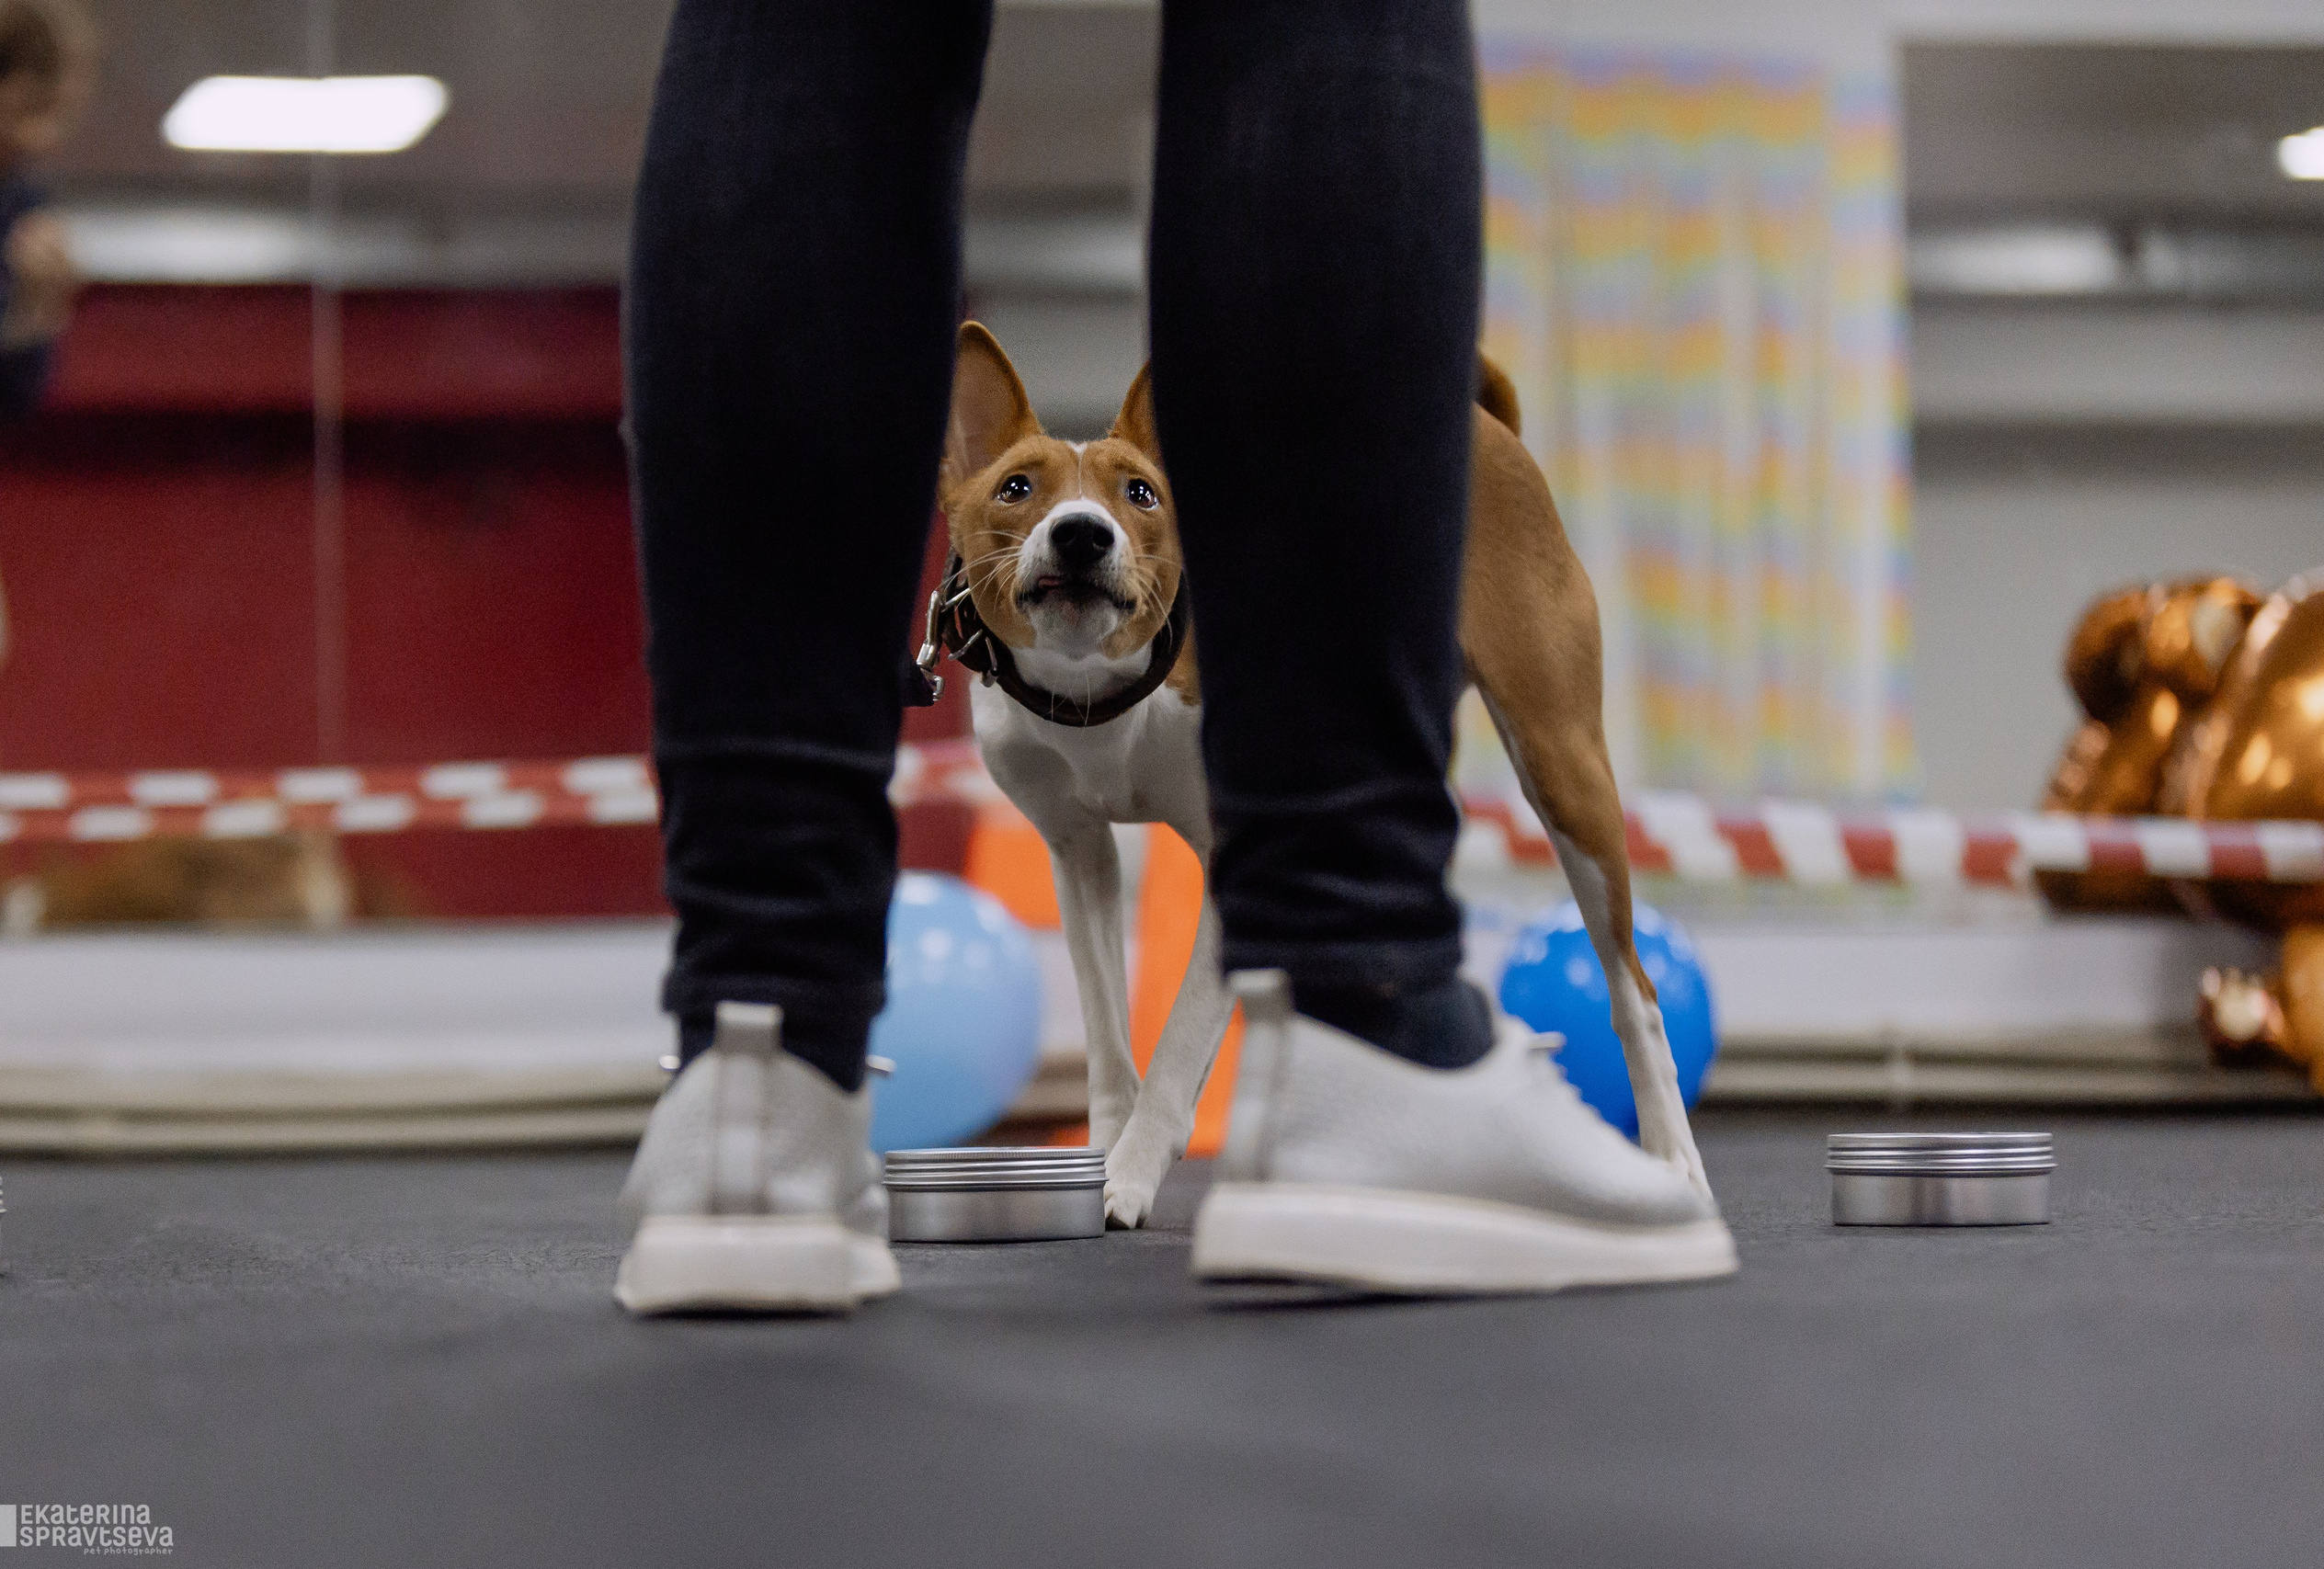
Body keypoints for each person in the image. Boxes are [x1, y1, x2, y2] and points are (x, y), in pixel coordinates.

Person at [615, 0, 1728, 1314]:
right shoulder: (1008, 698)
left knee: (803, 32)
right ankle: (1364, 1017)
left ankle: (760, 1065)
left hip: (1280, 636)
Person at [0, 0, 89, 773]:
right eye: (31, 104)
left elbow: (13, 400)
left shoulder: (21, 210)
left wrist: (38, 314)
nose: (44, 133)